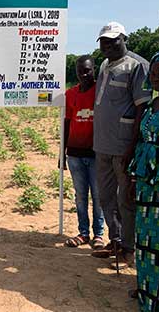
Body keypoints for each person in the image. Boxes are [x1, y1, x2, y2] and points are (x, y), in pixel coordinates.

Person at [92, 22, 152, 269]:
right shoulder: (105, 65)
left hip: (124, 146)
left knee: (126, 200)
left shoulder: (137, 65)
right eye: (104, 41)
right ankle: (115, 241)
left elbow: (142, 107)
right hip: (102, 145)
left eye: (113, 40)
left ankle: (129, 249)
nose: (108, 45)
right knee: (105, 196)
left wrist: (132, 148)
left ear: (124, 38)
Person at [128, 50, 159, 311]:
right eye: (153, 72)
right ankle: (147, 296)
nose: (155, 77)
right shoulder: (149, 107)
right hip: (146, 188)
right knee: (145, 242)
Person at [62, 55, 105, 249]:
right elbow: (67, 122)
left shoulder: (101, 91)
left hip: (97, 154)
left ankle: (99, 235)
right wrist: (62, 153)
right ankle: (83, 233)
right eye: (80, 71)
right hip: (75, 155)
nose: (84, 74)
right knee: (80, 196)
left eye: (87, 70)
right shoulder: (70, 94)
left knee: (98, 196)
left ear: (94, 69)